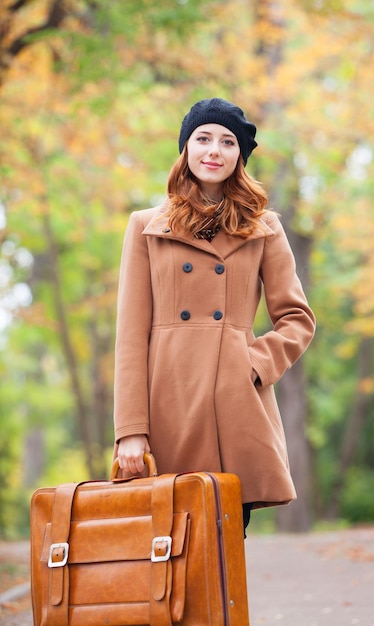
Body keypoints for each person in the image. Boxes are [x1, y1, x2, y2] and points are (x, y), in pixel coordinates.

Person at [113, 97, 316, 534]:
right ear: (185, 148)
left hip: (233, 406)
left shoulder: (264, 227)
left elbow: (297, 318)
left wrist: (254, 365)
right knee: (164, 556)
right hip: (167, 406)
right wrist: (130, 429)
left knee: (222, 555)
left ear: (239, 156)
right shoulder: (146, 227)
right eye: (203, 138)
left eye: (227, 142)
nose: (214, 150)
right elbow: (130, 336)